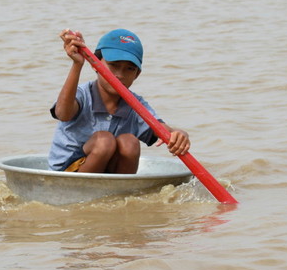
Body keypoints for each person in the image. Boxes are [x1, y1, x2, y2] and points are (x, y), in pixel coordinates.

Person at [49, 28, 190, 173]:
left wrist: (179, 135)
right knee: (104, 141)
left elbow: (164, 131)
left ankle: (121, 193)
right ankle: (82, 192)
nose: (120, 75)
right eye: (113, 65)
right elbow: (63, 114)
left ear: (137, 74)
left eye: (129, 69)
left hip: (109, 175)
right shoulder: (83, 94)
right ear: (94, 64)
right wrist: (77, 65)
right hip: (70, 172)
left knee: (130, 142)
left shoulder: (136, 105)